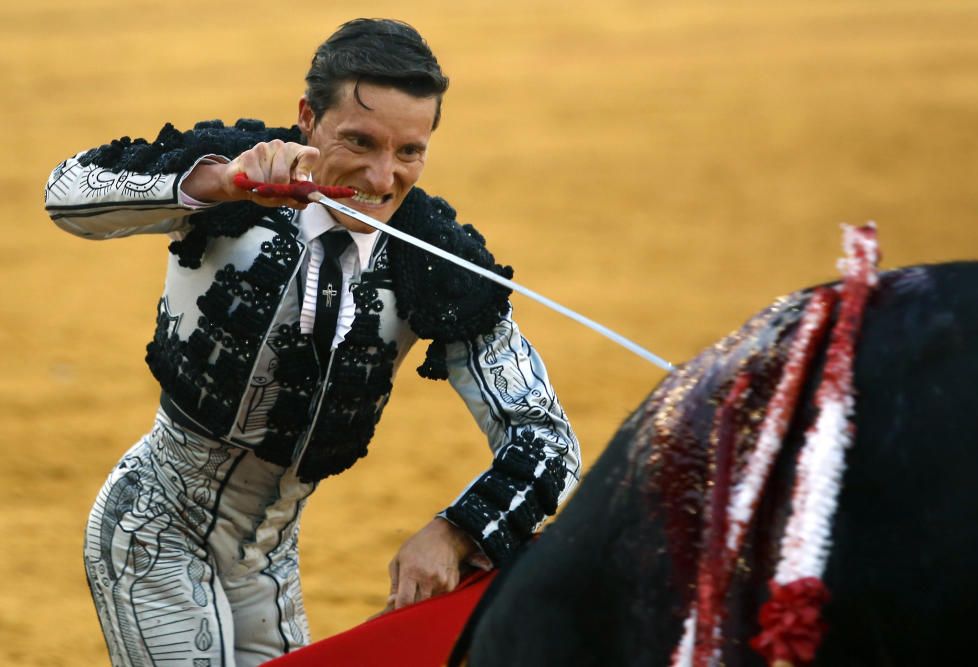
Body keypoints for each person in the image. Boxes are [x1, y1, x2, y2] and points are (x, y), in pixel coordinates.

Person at [45, 18, 580, 667]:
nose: (382, 177)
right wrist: (218, 182)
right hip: (155, 524)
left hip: (268, 563)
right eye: (359, 140)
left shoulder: (436, 260)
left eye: (409, 150)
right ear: (308, 118)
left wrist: (457, 530)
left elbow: (545, 440)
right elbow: (67, 192)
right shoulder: (237, 174)